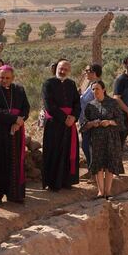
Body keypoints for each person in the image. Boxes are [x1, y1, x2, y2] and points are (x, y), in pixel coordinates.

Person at [0, 65, 30, 206]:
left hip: (15, 132)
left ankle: (14, 194)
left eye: (7, 78)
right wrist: (14, 119)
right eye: (1, 77)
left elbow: (26, 108)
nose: (4, 80)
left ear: (13, 78)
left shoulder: (19, 90)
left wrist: (20, 121)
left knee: (14, 162)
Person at [41, 59, 81, 190]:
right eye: (61, 68)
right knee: (54, 152)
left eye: (65, 69)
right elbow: (49, 105)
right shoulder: (48, 84)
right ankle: (53, 183)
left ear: (69, 70)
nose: (63, 71)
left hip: (69, 124)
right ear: (56, 68)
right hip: (54, 123)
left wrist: (74, 117)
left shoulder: (71, 84)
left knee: (68, 152)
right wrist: (65, 118)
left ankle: (66, 181)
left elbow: (77, 103)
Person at [82, 81, 125, 199]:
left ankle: (108, 191)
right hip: (96, 140)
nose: (95, 92)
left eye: (97, 89)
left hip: (111, 139)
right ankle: (100, 192)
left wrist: (110, 122)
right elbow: (83, 125)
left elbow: (121, 121)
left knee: (109, 164)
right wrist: (92, 123)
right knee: (98, 165)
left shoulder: (113, 103)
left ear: (104, 89)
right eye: (93, 89)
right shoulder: (90, 106)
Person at [78, 63, 102, 169]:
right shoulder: (90, 85)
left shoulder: (97, 86)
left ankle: (95, 173)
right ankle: (91, 170)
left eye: (87, 71)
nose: (86, 73)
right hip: (85, 121)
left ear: (94, 73)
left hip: (92, 122)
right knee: (86, 146)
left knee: (89, 147)